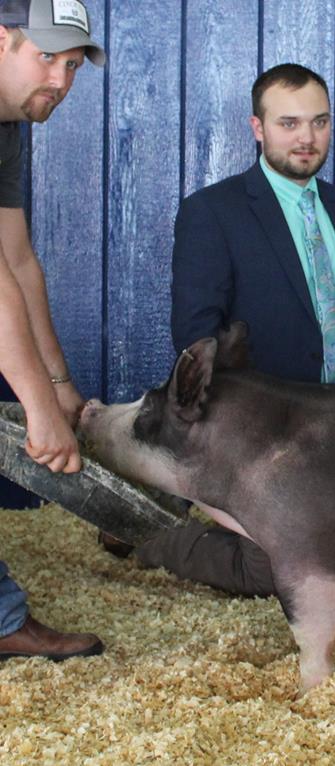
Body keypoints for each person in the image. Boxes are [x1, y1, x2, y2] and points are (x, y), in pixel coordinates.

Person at [101, 63, 335, 594]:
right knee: (271, 571)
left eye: (319, 122)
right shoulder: (213, 211)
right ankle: (152, 533)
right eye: (289, 123)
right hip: (274, 423)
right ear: (257, 128)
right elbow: (196, 336)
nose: (307, 138)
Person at [0, 0, 105, 660]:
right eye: (47, 58)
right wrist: (40, 410)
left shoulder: (10, 123)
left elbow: (17, 258)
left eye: (72, 65)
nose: (61, 82)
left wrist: (60, 385)